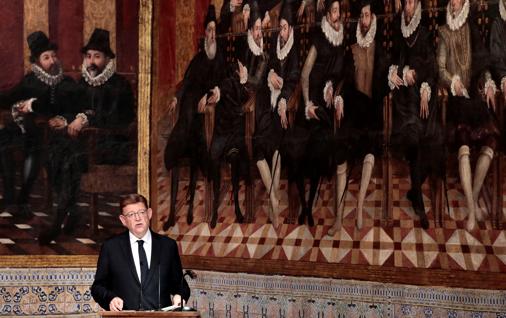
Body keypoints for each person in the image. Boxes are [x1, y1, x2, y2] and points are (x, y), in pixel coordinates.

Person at [0, 31, 82, 225]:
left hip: (53, 135)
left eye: (54, 55)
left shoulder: (66, 83)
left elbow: (61, 107)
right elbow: (8, 97)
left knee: (34, 147)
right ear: (37, 62)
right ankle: (10, 198)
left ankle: (23, 200)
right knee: (2, 141)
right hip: (26, 131)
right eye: (46, 57)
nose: (52, 61)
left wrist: (34, 104)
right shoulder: (30, 80)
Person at [327, 0, 389, 234]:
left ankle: (361, 207)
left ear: (373, 19)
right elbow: (342, 78)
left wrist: (391, 79)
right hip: (352, 111)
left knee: (370, 148)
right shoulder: (350, 48)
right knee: (341, 150)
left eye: (367, 16)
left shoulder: (380, 49)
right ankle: (339, 217)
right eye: (361, 16)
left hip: (372, 112)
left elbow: (384, 81)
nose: (364, 21)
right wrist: (340, 97)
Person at [437, 0, 499, 230]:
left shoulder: (471, 27)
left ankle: (471, 197)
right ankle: (473, 210)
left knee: (490, 141)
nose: (453, 2)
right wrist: (453, 81)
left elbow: (483, 66)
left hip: (474, 96)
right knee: (463, 142)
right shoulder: (444, 32)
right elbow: (440, 67)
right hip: (455, 98)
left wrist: (489, 83)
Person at [163, 5, 226, 229]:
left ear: (216, 35)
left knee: (194, 124)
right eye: (208, 31)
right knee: (188, 102)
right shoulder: (198, 58)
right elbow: (186, 81)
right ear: (204, 34)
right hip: (191, 112)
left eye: (213, 31)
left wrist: (208, 95)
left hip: (209, 118)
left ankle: (180, 145)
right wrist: (175, 98)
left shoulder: (220, 60)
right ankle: (174, 211)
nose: (211, 35)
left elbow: (223, 86)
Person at [388, 0, 443, 230]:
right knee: (413, 137)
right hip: (403, 101)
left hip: (421, 97)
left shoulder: (423, 32)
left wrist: (423, 86)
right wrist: (399, 72)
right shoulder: (398, 31)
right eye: (406, 2)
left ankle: (414, 191)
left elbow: (431, 67)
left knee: (434, 139)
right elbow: (390, 61)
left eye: (411, 2)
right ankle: (419, 201)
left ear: (417, 6)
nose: (408, 7)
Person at [296, 0, 351, 227]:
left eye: (339, 11)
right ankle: (305, 204)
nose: (339, 15)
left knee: (324, 144)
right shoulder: (319, 38)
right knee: (302, 147)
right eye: (335, 11)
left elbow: (343, 73)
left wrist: (335, 91)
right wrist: (308, 102)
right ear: (328, 15)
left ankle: (312, 201)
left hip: (328, 102)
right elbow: (305, 73)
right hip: (313, 102)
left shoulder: (342, 40)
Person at [91, 193, 186, 311]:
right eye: (131, 214)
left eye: (141, 212)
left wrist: (179, 295)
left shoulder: (168, 246)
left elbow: (181, 285)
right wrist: (111, 298)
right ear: (123, 220)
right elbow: (97, 287)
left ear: (149, 213)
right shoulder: (111, 247)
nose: (138, 218)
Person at [253, 1, 300, 228]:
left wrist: (283, 100)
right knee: (258, 146)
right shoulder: (274, 47)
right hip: (267, 107)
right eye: (279, 27)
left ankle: (274, 205)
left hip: (283, 110)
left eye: (284, 28)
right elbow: (265, 71)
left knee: (278, 145)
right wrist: (270, 73)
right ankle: (274, 198)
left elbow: (292, 82)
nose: (281, 32)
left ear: (290, 30)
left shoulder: (294, 53)